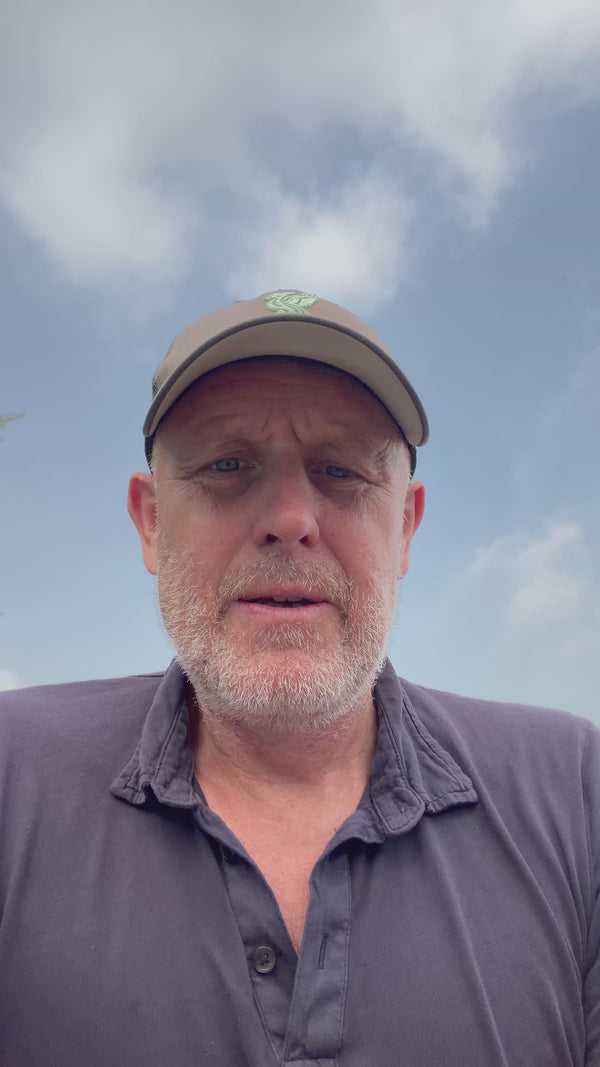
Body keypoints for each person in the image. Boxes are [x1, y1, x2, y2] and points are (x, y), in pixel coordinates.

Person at [0, 289, 598, 1066]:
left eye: (341, 470)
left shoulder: (574, 792)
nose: (290, 518)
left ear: (405, 528)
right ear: (150, 521)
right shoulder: (12, 777)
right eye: (226, 465)